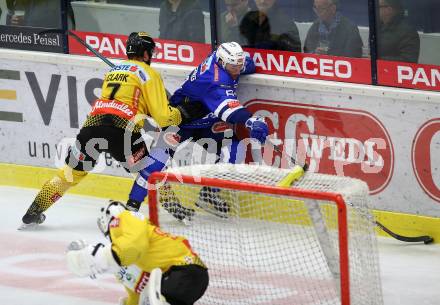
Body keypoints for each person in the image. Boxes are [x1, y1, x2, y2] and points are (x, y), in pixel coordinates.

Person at [19, 32, 205, 229]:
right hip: (123, 133)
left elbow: (127, 102)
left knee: (67, 175)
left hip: (92, 129)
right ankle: (177, 209)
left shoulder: (113, 71)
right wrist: (183, 113)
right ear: (144, 53)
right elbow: (163, 117)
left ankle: (33, 211)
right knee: (149, 172)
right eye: (150, 52)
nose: (151, 55)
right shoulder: (149, 74)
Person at [126, 41, 269, 220]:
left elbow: (248, 64)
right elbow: (230, 111)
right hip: (181, 120)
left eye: (239, 65)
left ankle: (208, 194)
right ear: (222, 63)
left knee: (235, 150)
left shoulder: (224, 61)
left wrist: (243, 65)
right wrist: (250, 121)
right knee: (157, 161)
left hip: (208, 122)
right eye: (234, 66)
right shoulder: (215, 80)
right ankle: (132, 206)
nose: (237, 70)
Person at [66, 200, 209, 305]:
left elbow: (134, 244)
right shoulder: (127, 258)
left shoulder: (126, 218)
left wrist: (102, 257)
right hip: (183, 279)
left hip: (183, 273)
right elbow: (137, 290)